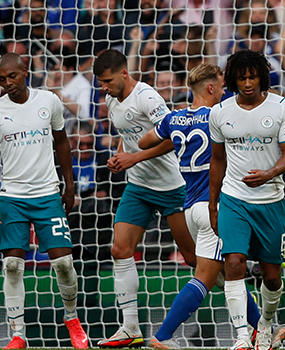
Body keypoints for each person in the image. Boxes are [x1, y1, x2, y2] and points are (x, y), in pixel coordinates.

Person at [137, 63, 261, 349]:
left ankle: (260, 329)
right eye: (221, 85)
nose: (224, 90)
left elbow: (144, 141)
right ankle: (163, 336)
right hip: (214, 207)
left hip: (190, 207)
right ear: (210, 88)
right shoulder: (220, 115)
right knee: (206, 276)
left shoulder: (175, 118)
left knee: (227, 272)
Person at [0, 53, 88, 350]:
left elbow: (61, 141)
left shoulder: (48, 101)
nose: (7, 83)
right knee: (12, 265)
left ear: (25, 72)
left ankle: (72, 319)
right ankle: (18, 334)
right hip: (12, 197)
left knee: (63, 263)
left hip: (48, 194)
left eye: (12, 76)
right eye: (1, 79)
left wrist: (69, 185)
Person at [92, 49, 196, 348]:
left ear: (124, 73)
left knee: (193, 259)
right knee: (120, 248)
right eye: (100, 82)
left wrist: (135, 157)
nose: (104, 87)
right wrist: (121, 156)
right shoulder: (111, 100)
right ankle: (130, 327)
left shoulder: (147, 98)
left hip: (171, 186)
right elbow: (128, 136)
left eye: (108, 80)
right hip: (138, 186)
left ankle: (243, 300)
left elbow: (173, 137)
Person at [209, 49, 285, 350]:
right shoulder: (220, 112)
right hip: (234, 198)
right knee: (233, 263)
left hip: (271, 202)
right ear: (233, 79)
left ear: (262, 76)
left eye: (253, 76)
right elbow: (217, 160)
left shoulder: (282, 108)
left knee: (272, 277)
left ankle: (265, 325)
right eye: (242, 77)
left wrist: (269, 173)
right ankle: (242, 336)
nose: (247, 83)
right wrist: (213, 203)